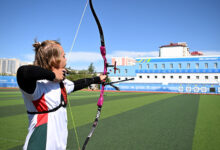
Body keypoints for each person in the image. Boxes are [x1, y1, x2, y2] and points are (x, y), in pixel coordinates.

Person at [16, 40, 106, 150]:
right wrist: (53, 75)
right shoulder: (38, 87)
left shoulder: (61, 84)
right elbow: (23, 72)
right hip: (40, 145)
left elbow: (78, 84)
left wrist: (97, 79)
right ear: (55, 60)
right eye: (64, 56)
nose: (66, 59)